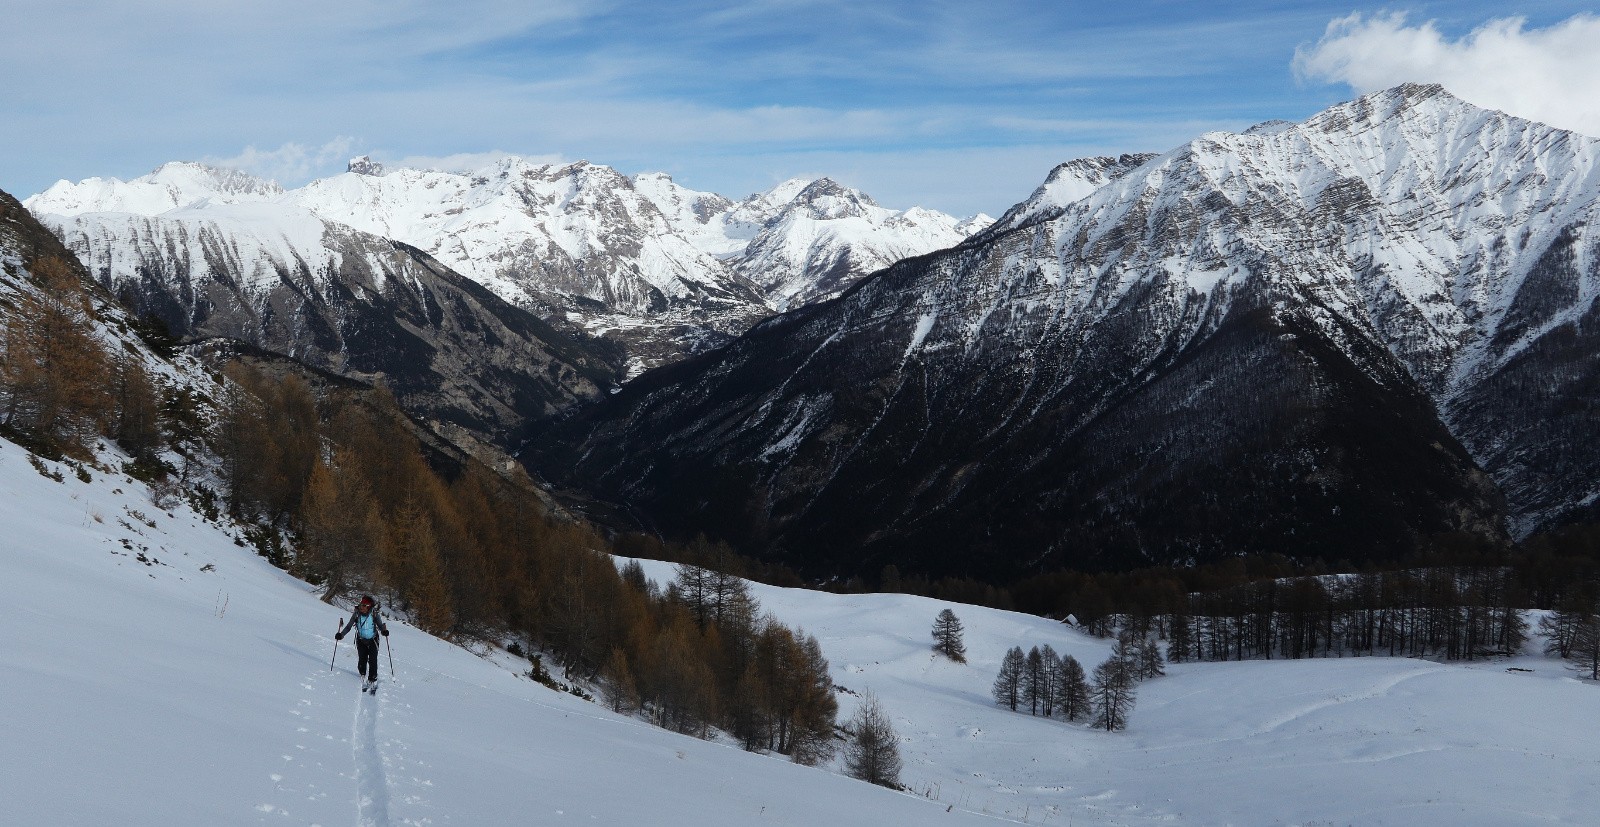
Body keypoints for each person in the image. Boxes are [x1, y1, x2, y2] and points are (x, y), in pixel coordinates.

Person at [336, 595, 389, 690]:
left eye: (364, 606)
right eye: (361, 606)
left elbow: (380, 626)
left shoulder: (374, 614)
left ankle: (372, 678)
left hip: (373, 639)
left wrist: (384, 631)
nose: (362, 608)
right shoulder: (356, 614)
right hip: (361, 639)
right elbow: (348, 627)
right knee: (362, 658)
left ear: (369, 607)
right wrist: (341, 635)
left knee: (373, 659)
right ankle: (362, 673)